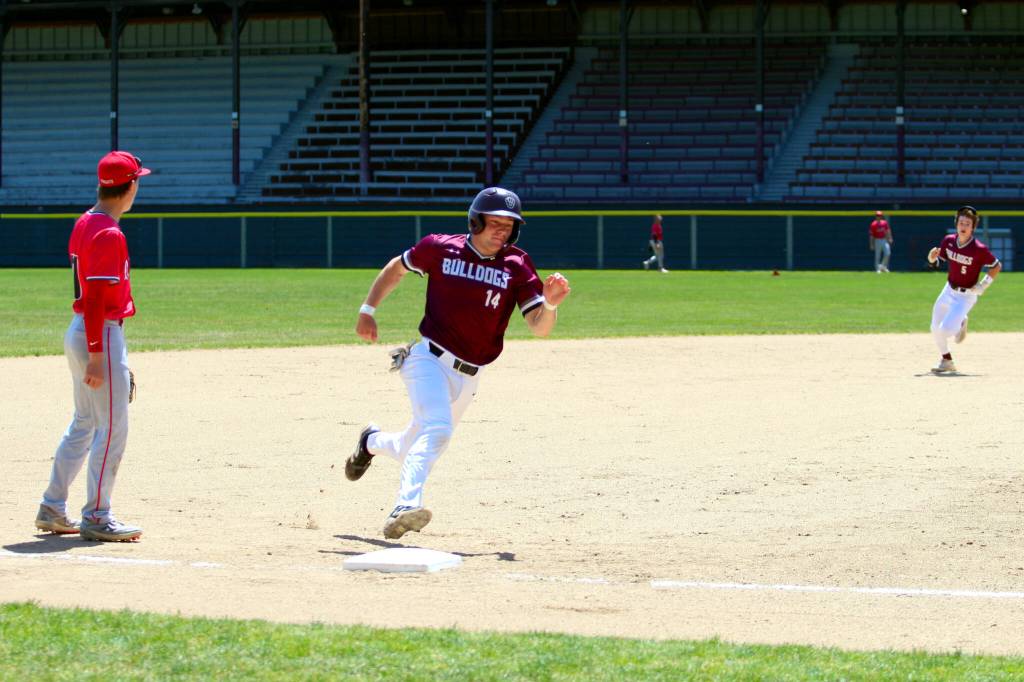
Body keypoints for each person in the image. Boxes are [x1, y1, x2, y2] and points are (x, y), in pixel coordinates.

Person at [347, 187, 571, 539]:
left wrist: (552, 303)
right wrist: (367, 309)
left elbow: (539, 328)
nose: (502, 231)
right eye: (495, 222)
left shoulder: (516, 265)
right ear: (475, 220)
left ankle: (371, 442)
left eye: (509, 225)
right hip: (427, 359)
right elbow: (397, 268)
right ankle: (404, 506)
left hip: (469, 377)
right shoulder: (440, 247)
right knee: (437, 429)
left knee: (415, 445)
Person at [35, 151, 150, 542]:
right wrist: (101, 357)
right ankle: (97, 515)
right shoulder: (108, 232)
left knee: (85, 422)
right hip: (97, 332)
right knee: (112, 426)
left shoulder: (86, 222)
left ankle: (53, 506)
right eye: (138, 182)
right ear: (129, 186)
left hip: (81, 331)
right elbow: (99, 296)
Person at [926, 205, 1001, 374]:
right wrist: (932, 259)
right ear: (956, 224)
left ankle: (961, 322)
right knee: (934, 327)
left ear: (973, 227)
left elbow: (996, 266)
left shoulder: (979, 249)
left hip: (966, 296)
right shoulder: (948, 241)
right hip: (949, 290)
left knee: (945, 330)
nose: (963, 226)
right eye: (961, 222)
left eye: (968, 223)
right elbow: (938, 263)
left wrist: (983, 285)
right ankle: (947, 360)